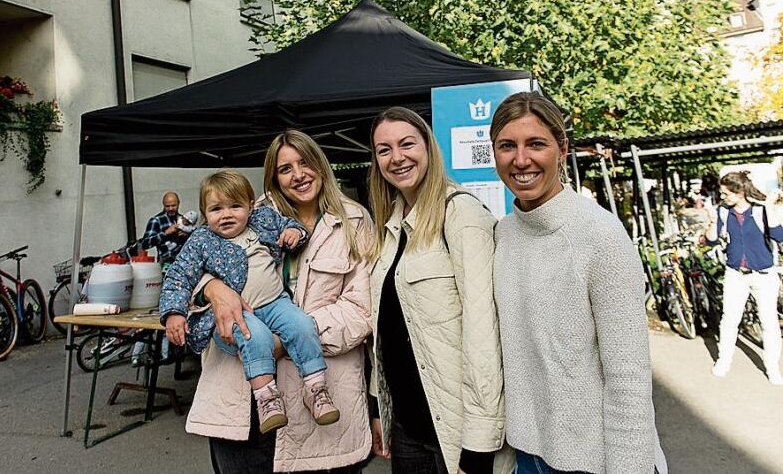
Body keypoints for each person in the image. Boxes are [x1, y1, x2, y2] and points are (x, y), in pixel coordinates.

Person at [170, 132, 374, 474]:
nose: (298, 175)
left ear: (321, 165)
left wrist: (286, 338)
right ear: (273, 176)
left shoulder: (353, 222)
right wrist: (213, 288)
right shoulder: (245, 212)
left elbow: (361, 311)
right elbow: (186, 272)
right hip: (240, 401)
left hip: (323, 400)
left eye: (305, 162)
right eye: (285, 168)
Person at [489, 92, 666, 474]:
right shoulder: (503, 234)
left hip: (599, 460)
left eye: (536, 144)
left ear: (562, 148)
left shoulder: (600, 235)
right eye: (507, 146)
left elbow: (628, 379)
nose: (521, 160)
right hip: (528, 456)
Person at [367, 106, 505, 474]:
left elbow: (484, 336)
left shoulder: (461, 215)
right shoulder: (390, 226)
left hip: (455, 430)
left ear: (428, 146)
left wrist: (479, 444)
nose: (397, 157)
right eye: (384, 149)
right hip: (409, 427)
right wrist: (378, 405)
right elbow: (387, 331)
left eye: (406, 144)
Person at [161, 169, 341, 435]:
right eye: (216, 209)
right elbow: (179, 274)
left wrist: (294, 232)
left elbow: (290, 226)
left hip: (276, 302)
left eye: (235, 206)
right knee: (253, 335)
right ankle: (267, 398)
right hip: (240, 315)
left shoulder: (263, 220)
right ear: (203, 213)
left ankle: (315, 389)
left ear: (250, 205)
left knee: (303, 324)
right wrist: (174, 312)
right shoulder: (201, 240)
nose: (226, 215)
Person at [705, 171, 783, 384]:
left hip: (763, 275)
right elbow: (711, 241)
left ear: (739, 192)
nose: (723, 197)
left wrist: (769, 207)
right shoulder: (723, 213)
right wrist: (712, 222)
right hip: (735, 274)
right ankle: (723, 361)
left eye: (726, 193)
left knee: (769, 322)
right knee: (729, 320)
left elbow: (779, 236)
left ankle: (772, 368)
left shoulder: (760, 210)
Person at [139, 191, 189, 268]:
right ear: (163, 205)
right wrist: (165, 233)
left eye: (173, 205)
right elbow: (145, 244)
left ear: (178, 203)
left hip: (184, 262)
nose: (170, 208)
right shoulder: (156, 220)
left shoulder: (183, 220)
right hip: (166, 263)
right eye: (167, 206)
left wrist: (186, 235)